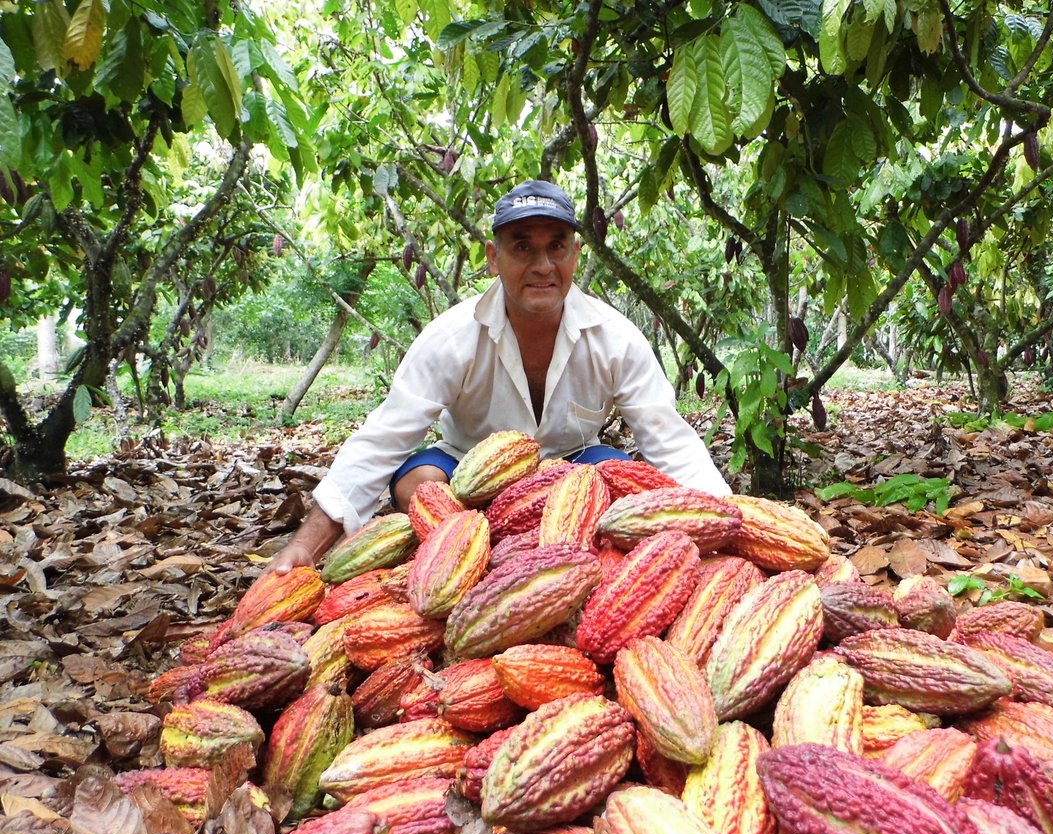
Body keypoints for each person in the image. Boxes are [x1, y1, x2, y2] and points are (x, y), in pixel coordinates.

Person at [264, 179, 729, 577]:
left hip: (571, 472)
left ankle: (534, 549)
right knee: (417, 484)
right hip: (468, 474)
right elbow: (385, 437)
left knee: (623, 478)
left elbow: (669, 440)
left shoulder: (615, 339)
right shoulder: (452, 337)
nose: (543, 266)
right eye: (522, 246)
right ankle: (472, 553)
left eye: (556, 246)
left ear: (575, 254)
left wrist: (732, 520)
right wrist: (308, 544)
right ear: (493, 257)